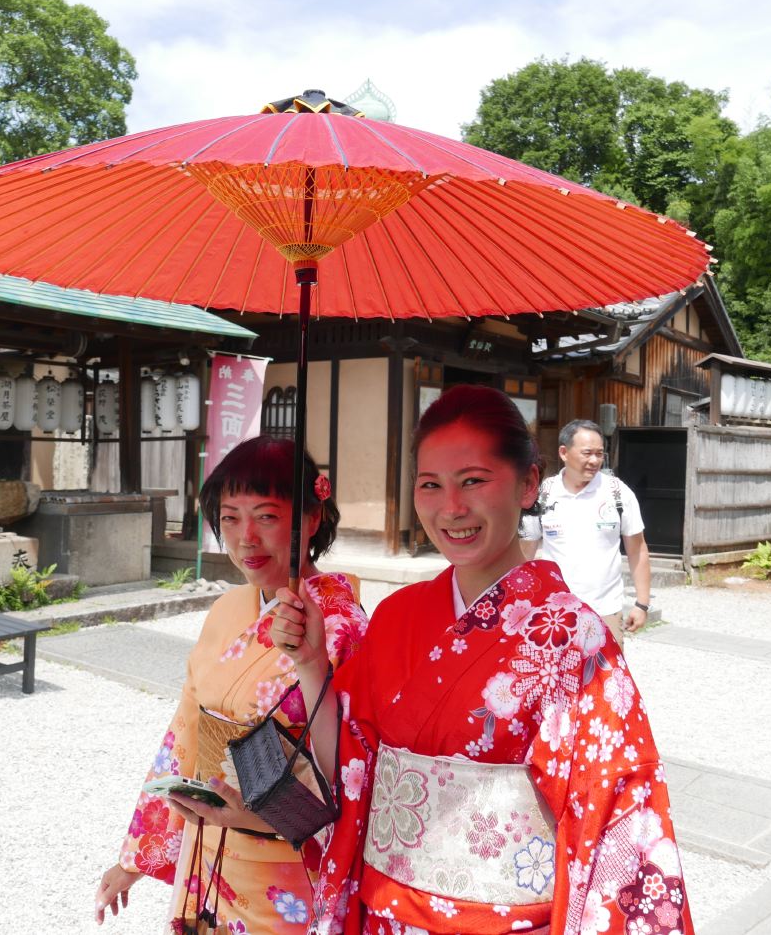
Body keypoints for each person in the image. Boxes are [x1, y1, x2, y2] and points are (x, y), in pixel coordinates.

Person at [271, 385, 692, 934]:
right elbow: (350, 766)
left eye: (473, 481)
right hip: (386, 916)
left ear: (526, 484)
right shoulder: (397, 616)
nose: (451, 509)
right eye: (430, 485)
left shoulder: (572, 635)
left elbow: (612, 801)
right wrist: (310, 666)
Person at [94, 436, 368, 933]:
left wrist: (247, 817)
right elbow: (185, 739)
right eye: (229, 517)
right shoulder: (227, 608)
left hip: (287, 873)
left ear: (310, 520)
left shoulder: (341, 627)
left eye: (266, 516)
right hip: (205, 859)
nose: (245, 538)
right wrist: (136, 858)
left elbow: (351, 775)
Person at [520, 419, 651, 643]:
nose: (594, 460)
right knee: (555, 676)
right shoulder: (543, 494)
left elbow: (637, 550)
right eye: (587, 453)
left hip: (605, 610)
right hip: (553, 611)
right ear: (564, 452)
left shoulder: (618, 493)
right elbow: (525, 552)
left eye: (599, 454)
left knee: (606, 676)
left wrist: (642, 603)